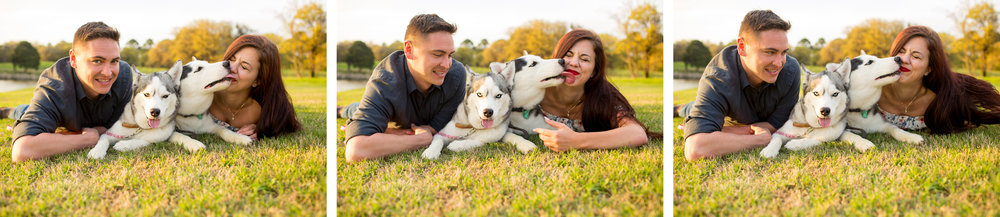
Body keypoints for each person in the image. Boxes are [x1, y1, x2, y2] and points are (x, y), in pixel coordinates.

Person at [676, 10, 801, 161]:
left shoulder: (791, 69)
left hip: (744, 120)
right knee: (690, 108)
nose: (779, 62)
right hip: (730, 115)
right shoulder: (718, 77)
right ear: (742, 47)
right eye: (770, 52)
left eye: (783, 52)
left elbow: (778, 124)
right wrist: (758, 140)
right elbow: (696, 149)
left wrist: (725, 131)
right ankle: (679, 109)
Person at [341, 14, 467, 162]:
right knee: (355, 109)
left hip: (415, 119)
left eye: (450, 55)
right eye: (437, 54)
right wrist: (422, 140)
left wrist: (392, 133)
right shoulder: (385, 81)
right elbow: (356, 150)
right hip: (393, 116)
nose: (446, 65)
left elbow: (439, 126)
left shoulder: (457, 75)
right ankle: (341, 110)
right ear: (409, 50)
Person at [7, 22, 134, 162]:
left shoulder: (123, 75)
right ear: (73, 59)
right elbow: (22, 150)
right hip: (60, 119)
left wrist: (73, 134)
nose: (108, 72)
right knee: (24, 111)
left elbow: (118, 127)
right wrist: (86, 138)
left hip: (79, 123)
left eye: (114, 61)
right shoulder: (54, 86)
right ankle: (8, 111)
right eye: (97, 61)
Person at [531, 29, 650, 152]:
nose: (574, 63)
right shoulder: (535, 87)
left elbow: (637, 134)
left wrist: (575, 141)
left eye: (584, 59)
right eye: (568, 55)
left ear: (594, 71)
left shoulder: (603, 96)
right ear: (557, 58)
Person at [878, 25, 1000, 133]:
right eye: (901, 51)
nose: (905, 59)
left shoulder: (939, 103)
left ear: (928, 69)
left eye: (916, 56)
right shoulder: (872, 89)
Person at [209, 34, 301, 140]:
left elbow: (285, 123)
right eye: (231, 59)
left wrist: (261, 128)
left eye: (244, 67)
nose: (232, 68)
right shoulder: (204, 93)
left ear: (258, 80)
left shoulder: (259, 112)